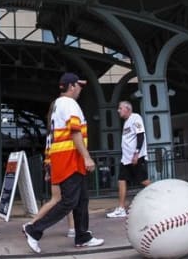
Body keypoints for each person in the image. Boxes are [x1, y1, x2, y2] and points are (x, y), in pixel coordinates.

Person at [23, 73, 103, 253]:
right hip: (70, 159)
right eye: (79, 85)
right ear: (72, 86)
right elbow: (75, 132)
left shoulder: (58, 104)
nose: (81, 89)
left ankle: (82, 236)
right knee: (69, 201)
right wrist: (86, 157)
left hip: (66, 158)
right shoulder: (69, 103)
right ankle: (34, 230)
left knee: (81, 199)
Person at [27, 104, 75, 238]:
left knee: (58, 199)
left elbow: (48, 152)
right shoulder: (62, 128)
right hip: (63, 165)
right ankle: (33, 224)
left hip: (54, 165)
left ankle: (33, 223)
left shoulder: (50, 131)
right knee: (65, 199)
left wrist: (48, 170)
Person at [106, 101, 151, 218]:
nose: (118, 110)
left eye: (120, 108)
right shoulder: (126, 122)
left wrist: (136, 153)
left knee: (143, 181)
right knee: (121, 180)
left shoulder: (135, 118)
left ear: (128, 109)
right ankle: (121, 208)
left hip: (136, 157)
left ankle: (162, 194)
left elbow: (140, 135)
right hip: (126, 159)